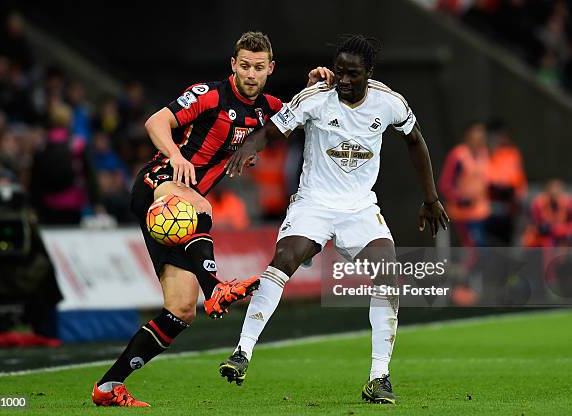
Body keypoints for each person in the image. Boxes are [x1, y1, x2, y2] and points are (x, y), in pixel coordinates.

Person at [91, 31, 332, 407]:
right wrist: (175, 155)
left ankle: (108, 386)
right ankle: (215, 286)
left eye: (259, 67)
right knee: (201, 207)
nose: (251, 74)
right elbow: (156, 122)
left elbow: (302, 115)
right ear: (233, 65)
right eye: (244, 66)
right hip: (159, 183)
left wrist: (313, 87)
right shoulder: (209, 95)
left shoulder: (268, 107)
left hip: (180, 215)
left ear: (270, 69)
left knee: (180, 312)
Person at [221, 35, 448, 405]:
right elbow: (272, 130)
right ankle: (242, 352)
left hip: (359, 208)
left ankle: (379, 376)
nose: (342, 79)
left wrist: (430, 197)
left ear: (367, 74)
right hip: (315, 202)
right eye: (339, 71)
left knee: (388, 275)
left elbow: (415, 141)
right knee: (284, 260)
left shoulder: (389, 102)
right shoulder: (315, 98)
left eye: (351, 73)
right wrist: (249, 147)